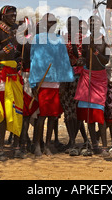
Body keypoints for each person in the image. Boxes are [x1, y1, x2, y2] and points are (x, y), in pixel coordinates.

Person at [29, 13, 74, 157]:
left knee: (53, 117)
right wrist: (33, 82)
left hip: (55, 82)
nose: (51, 25)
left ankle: (47, 145)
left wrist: (64, 83)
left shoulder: (60, 40)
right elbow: (33, 61)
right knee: (41, 116)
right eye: (48, 22)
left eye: (53, 22)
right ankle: (37, 145)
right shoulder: (36, 39)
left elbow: (64, 61)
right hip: (42, 83)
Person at [0, 5, 25, 160]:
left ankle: (17, 147)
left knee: (18, 109)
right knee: (4, 112)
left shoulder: (15, 31)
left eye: (15, 14)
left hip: (14, 74)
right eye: (11, 15)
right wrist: (7, 49)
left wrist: (18, 58)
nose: (13, 17)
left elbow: (17, 51)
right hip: (2, 75)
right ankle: (0, 150)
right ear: (3, 17)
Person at [74, 16, 110, 157]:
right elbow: (83, 57)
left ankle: (105, 147)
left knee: (99, 113)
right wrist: (80, 60)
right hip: (87, 76)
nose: (93, 26)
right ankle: (94, 145)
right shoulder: (86, 41)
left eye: (96, 23)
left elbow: (106, 61)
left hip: (99, 78)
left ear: (100, 25)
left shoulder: (105, 40)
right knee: (89, 114)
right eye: (91, 24)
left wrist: (95, 52)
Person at [59, 16, 85, 155]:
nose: (70, 27)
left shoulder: (82, 38)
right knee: (68, 109)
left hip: (78, 77)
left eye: (72, 24)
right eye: (68, 24)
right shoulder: (63, 38)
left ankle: (75, 141)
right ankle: (72, 141)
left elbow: (80, 57)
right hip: (65, 76)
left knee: (76, 109)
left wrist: (74, 44)